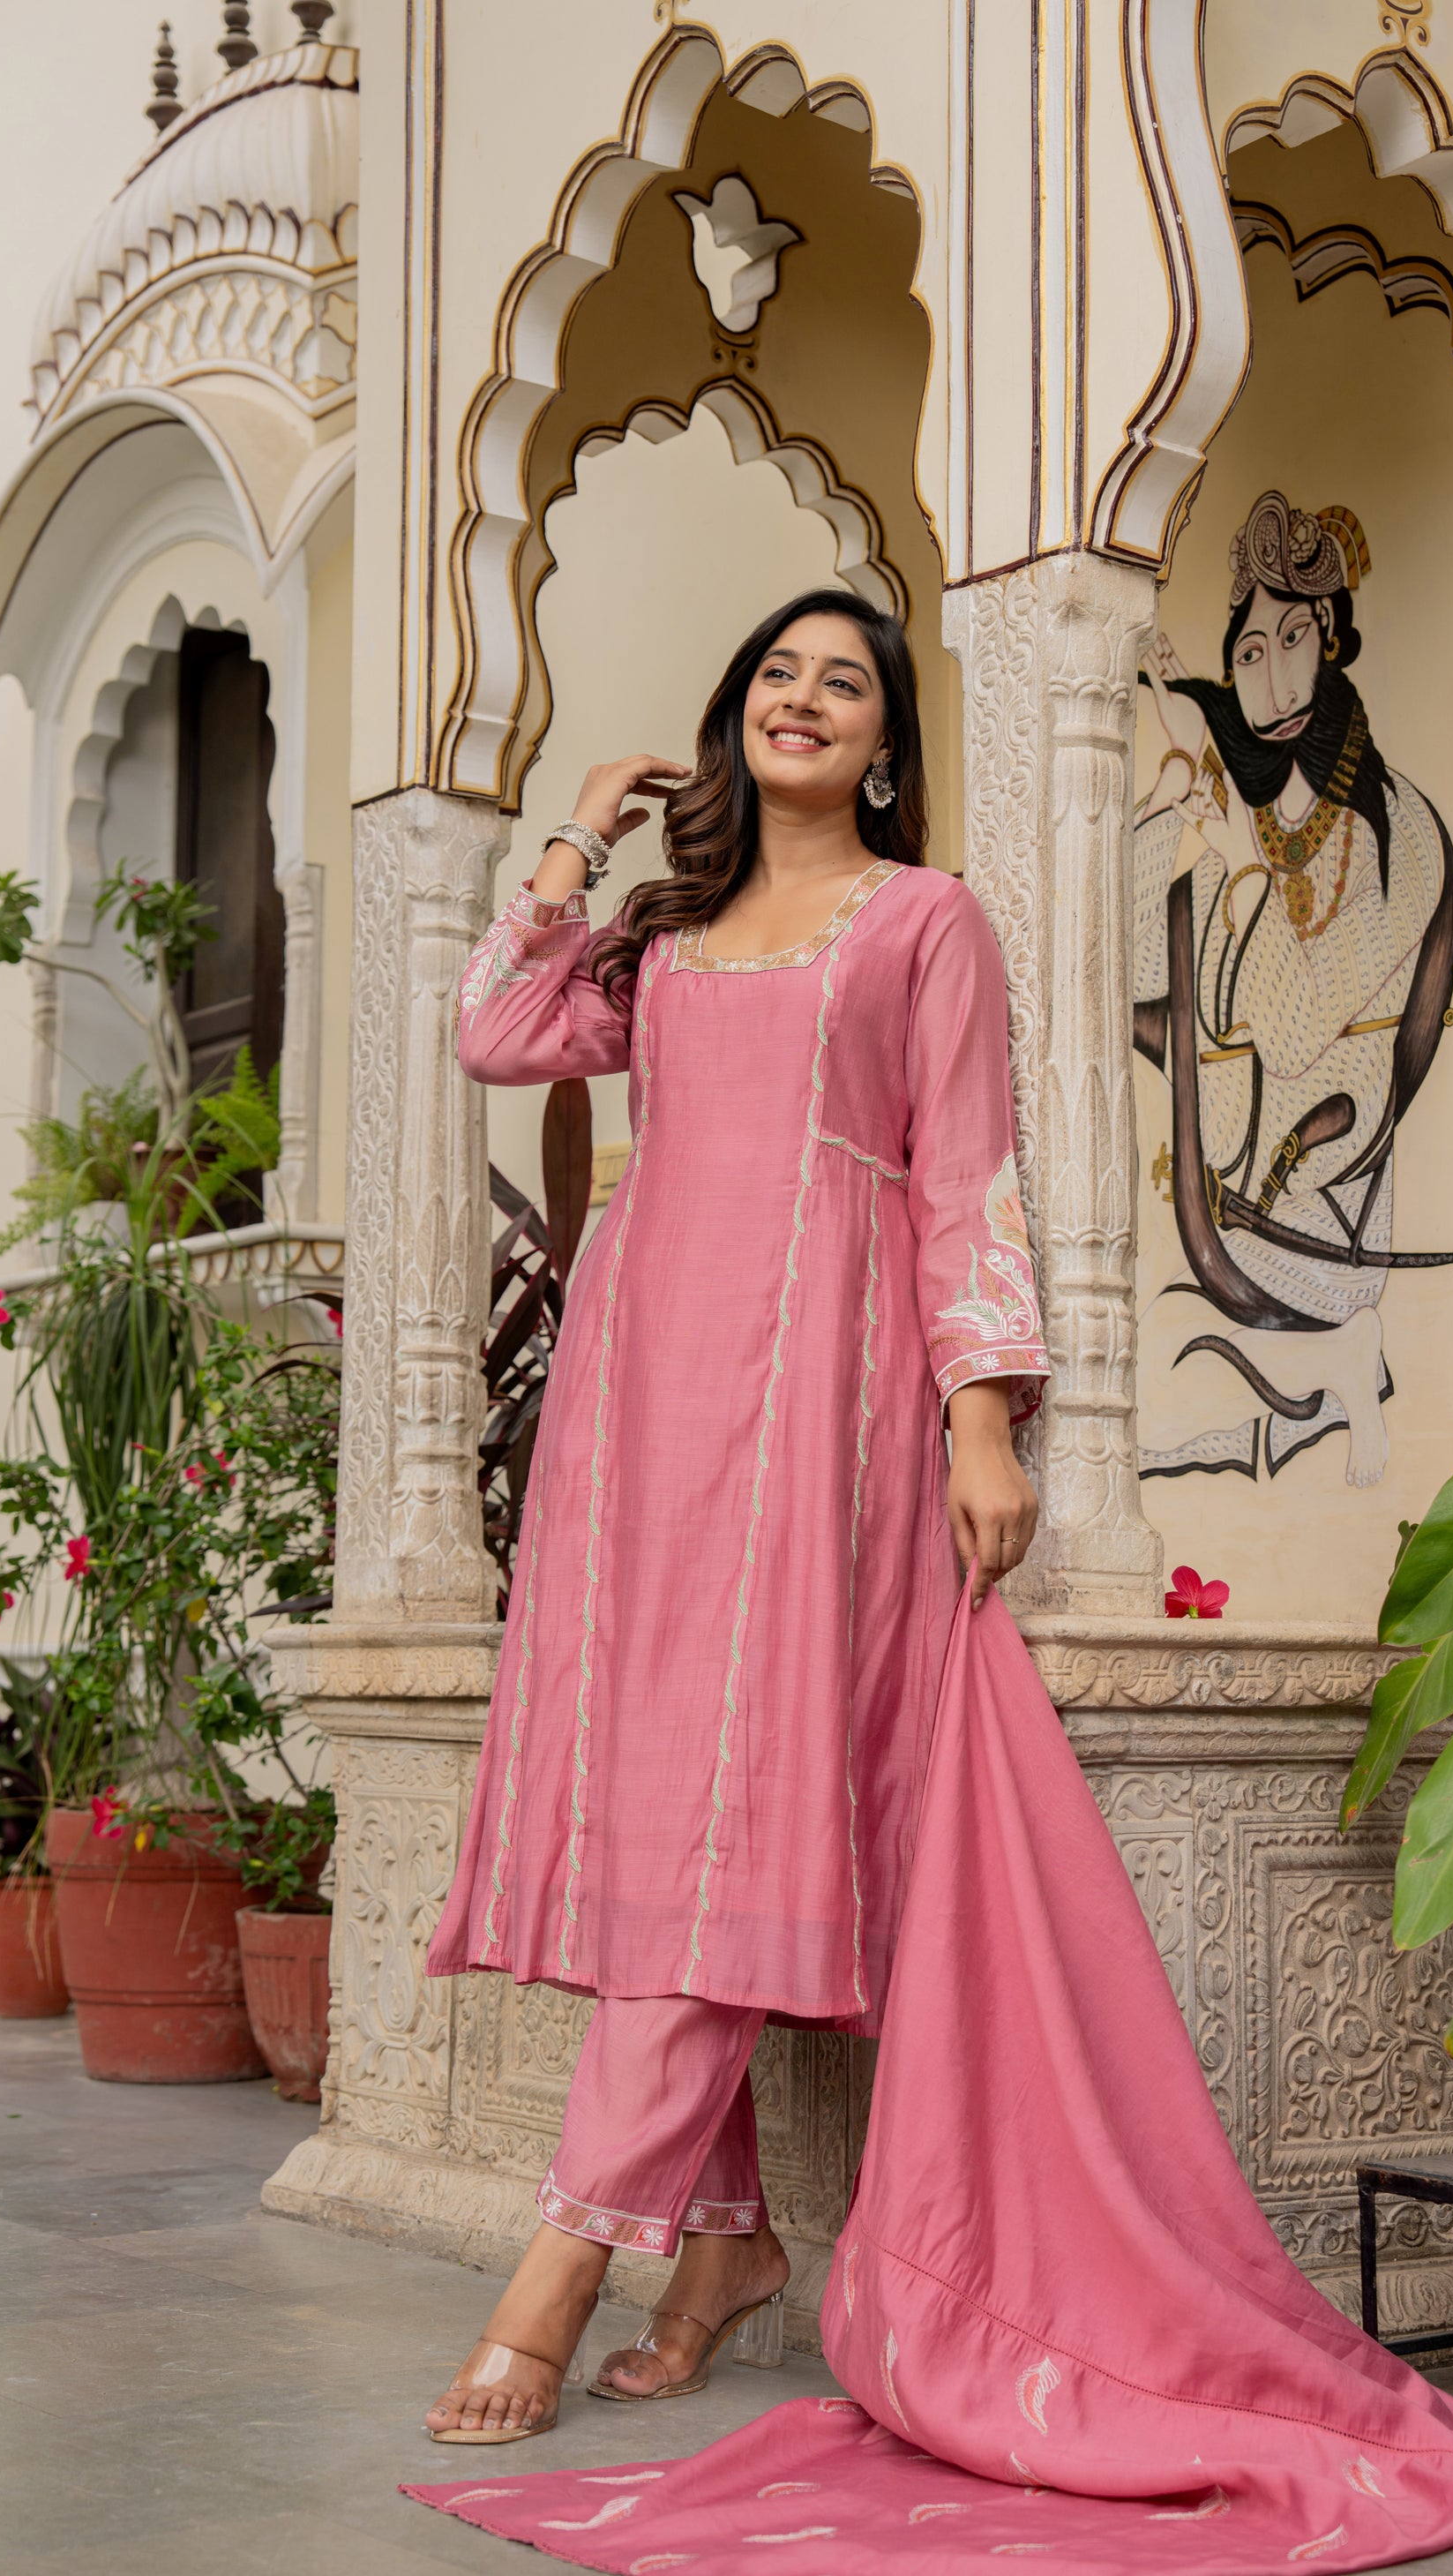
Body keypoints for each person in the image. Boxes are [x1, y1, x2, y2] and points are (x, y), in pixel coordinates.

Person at [421, 588, 1049, 2443]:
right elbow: (495, 1031)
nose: (803, 699)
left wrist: (982, 1416)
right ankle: (722, 2243)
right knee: (658, 1800)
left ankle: (559, 2267)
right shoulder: (667, 930)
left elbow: (965, 1172)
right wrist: (571, 843)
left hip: (824, 1399)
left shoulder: (925, 921)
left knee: (726, 1802)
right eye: (776, 673)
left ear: (883, 739)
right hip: (639, 1404)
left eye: (842, 682)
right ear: (735, 713)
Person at [1132, 492, 1453, 1490]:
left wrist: (1234, 854)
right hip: (1226, 1197)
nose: (1270, 675)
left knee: (1167, 1352)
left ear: (1326, 642)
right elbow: (1126, 980)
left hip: (1318, 1210)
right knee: (1146, 1352)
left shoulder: (1387, 827)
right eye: (1245, 654)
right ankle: (1332, 1384)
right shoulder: (1243, 811)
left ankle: (1338, 1366)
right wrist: (1165, 809)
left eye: (1290, 640)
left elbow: (1297, 1026)